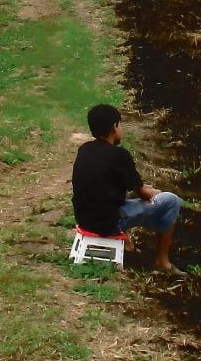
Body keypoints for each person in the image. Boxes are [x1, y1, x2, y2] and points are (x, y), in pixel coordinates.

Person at [71, 104, 182, 273]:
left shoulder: (84, 150)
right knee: (171, 201)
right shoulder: (119, 155)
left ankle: (127, 242)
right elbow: (143, 193)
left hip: (84, 218)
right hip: (107, 222)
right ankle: (162, 261)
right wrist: (156, 192)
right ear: (114, 127)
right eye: (120, 125)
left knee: (113, 197)